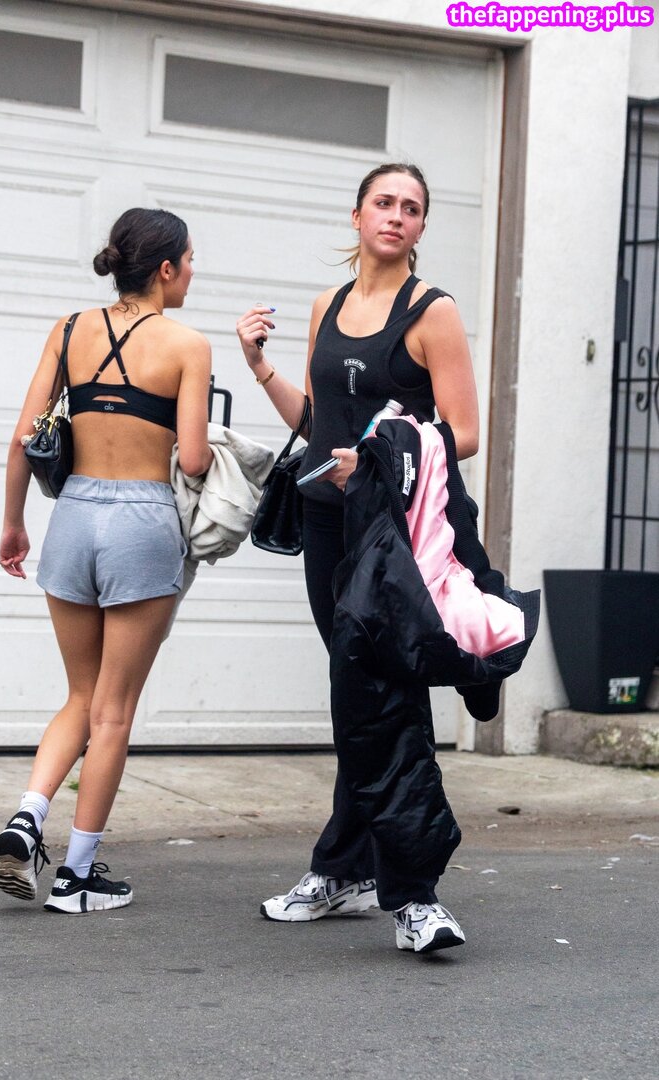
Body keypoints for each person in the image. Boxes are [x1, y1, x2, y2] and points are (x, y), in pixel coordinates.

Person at [235, 163, 479, 953]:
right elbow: (318, 423)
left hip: (390, 530)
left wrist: (378, 456)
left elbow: (464, 432)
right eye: (384, 202)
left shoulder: (431, 312)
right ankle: (348, 869)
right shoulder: (327, 305)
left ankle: (411, 894)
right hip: (325, 521)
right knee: (356, 693)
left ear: (420, 226)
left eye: (410, 207)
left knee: (383, 696)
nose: (395, 215)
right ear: (357, 215)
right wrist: (260, 368)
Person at [0, 207, 213, 915]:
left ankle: (28, 817)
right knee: (113, 714)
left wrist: (13, 524)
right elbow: (194, 459)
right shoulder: (188, 345)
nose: (192, 272)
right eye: (189, 261)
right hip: (142, 521)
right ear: (166, 269)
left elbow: (24, 437)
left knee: (79, 698)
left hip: (73, 517)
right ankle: (77, 877)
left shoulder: (69, 330)